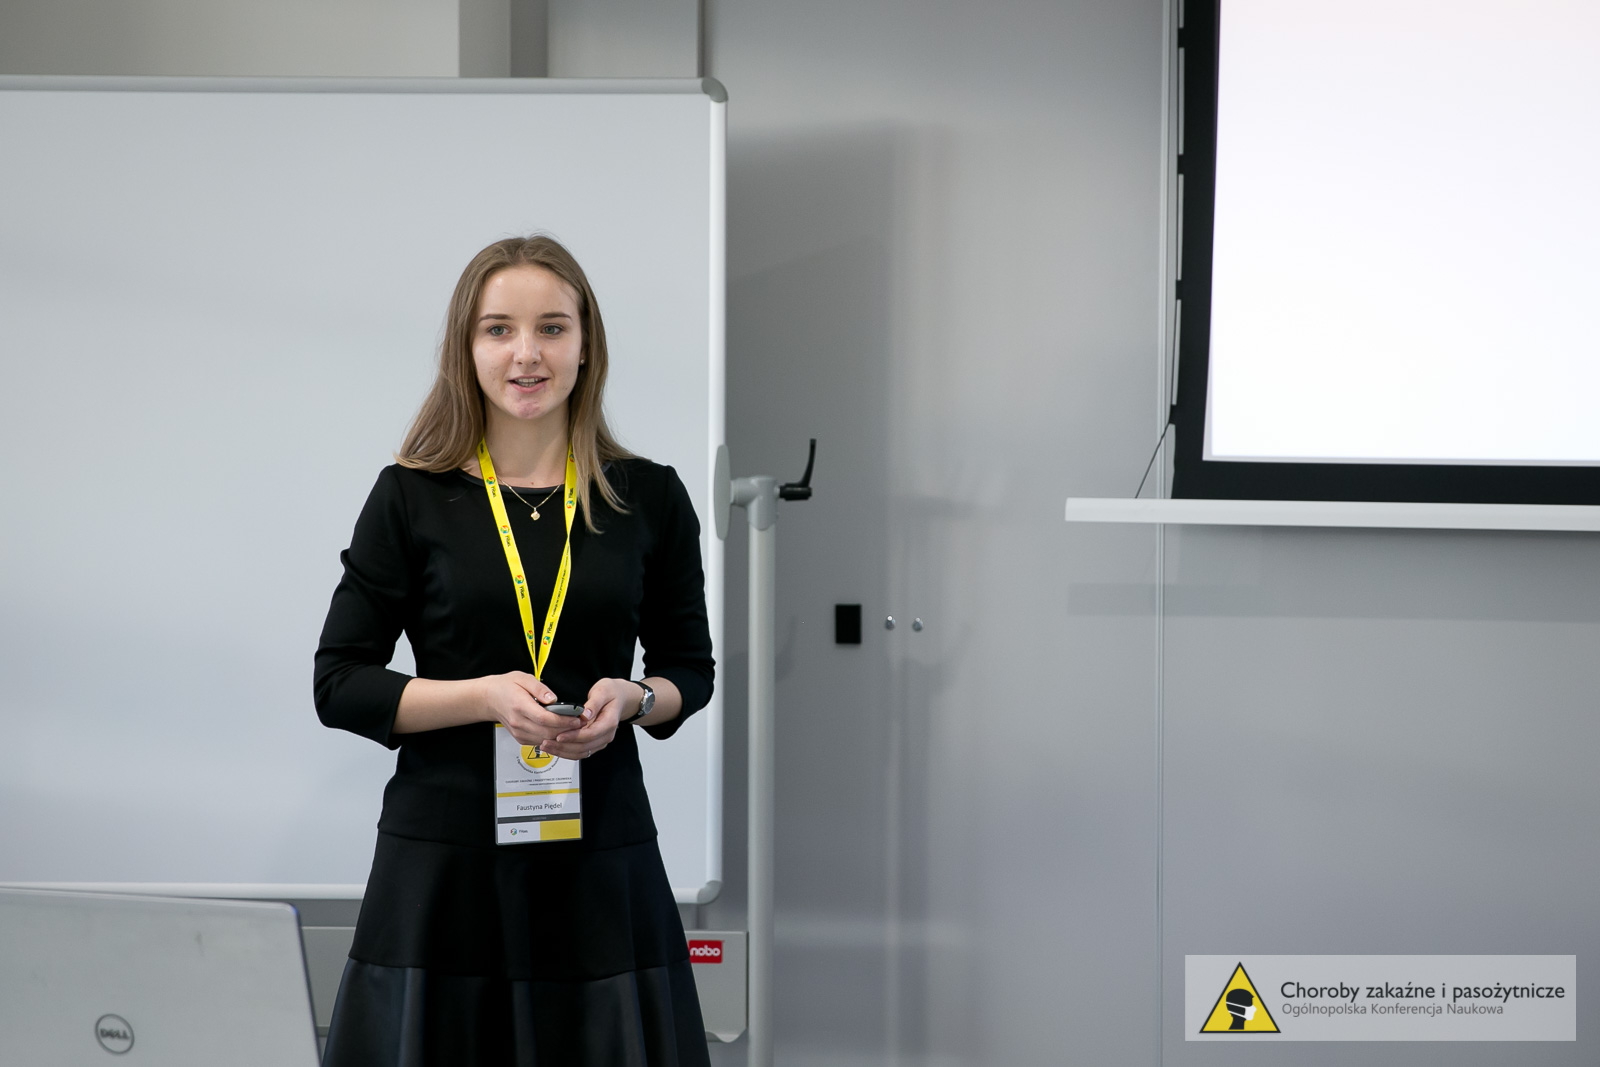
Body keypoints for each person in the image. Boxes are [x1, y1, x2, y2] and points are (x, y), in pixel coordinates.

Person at [314, 234, 715, 1066]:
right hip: (442, 870)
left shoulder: (649, 496)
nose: (526, 353)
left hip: (600, 860)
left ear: (585, 345)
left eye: (551, 328)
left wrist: (634, 699)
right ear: (466, 349)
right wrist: (484, 696)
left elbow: (690, 669)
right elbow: (340, 681)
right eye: (499, 329)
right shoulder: (410, 495)